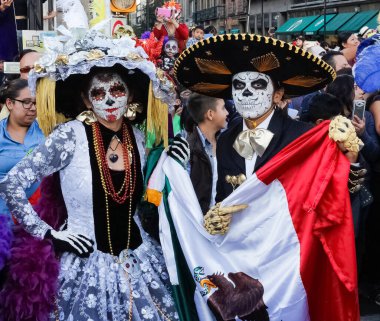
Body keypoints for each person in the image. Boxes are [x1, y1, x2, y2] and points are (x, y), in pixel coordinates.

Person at [0, 27, 182, 320]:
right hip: (85, 267)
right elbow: (12, 184)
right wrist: (49, 234)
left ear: (131, 95)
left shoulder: (139, 138)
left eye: (117, 90)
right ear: (86, 100)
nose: (109, 100)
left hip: (140, 264)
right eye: (98, 92)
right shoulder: (69, 136)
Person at [0, 78, 44, 220]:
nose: (33, 108)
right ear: (9, 103)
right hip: (4, 221)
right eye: (26, 102)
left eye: (36, 103)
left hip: (41, 218)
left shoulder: (47, 131)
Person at [186, 93, 228, 214]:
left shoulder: (226, 142)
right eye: (223, 108)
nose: (227, 113)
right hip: (200, 222)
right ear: (210, 114)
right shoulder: (188, 149)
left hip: (224, 220)